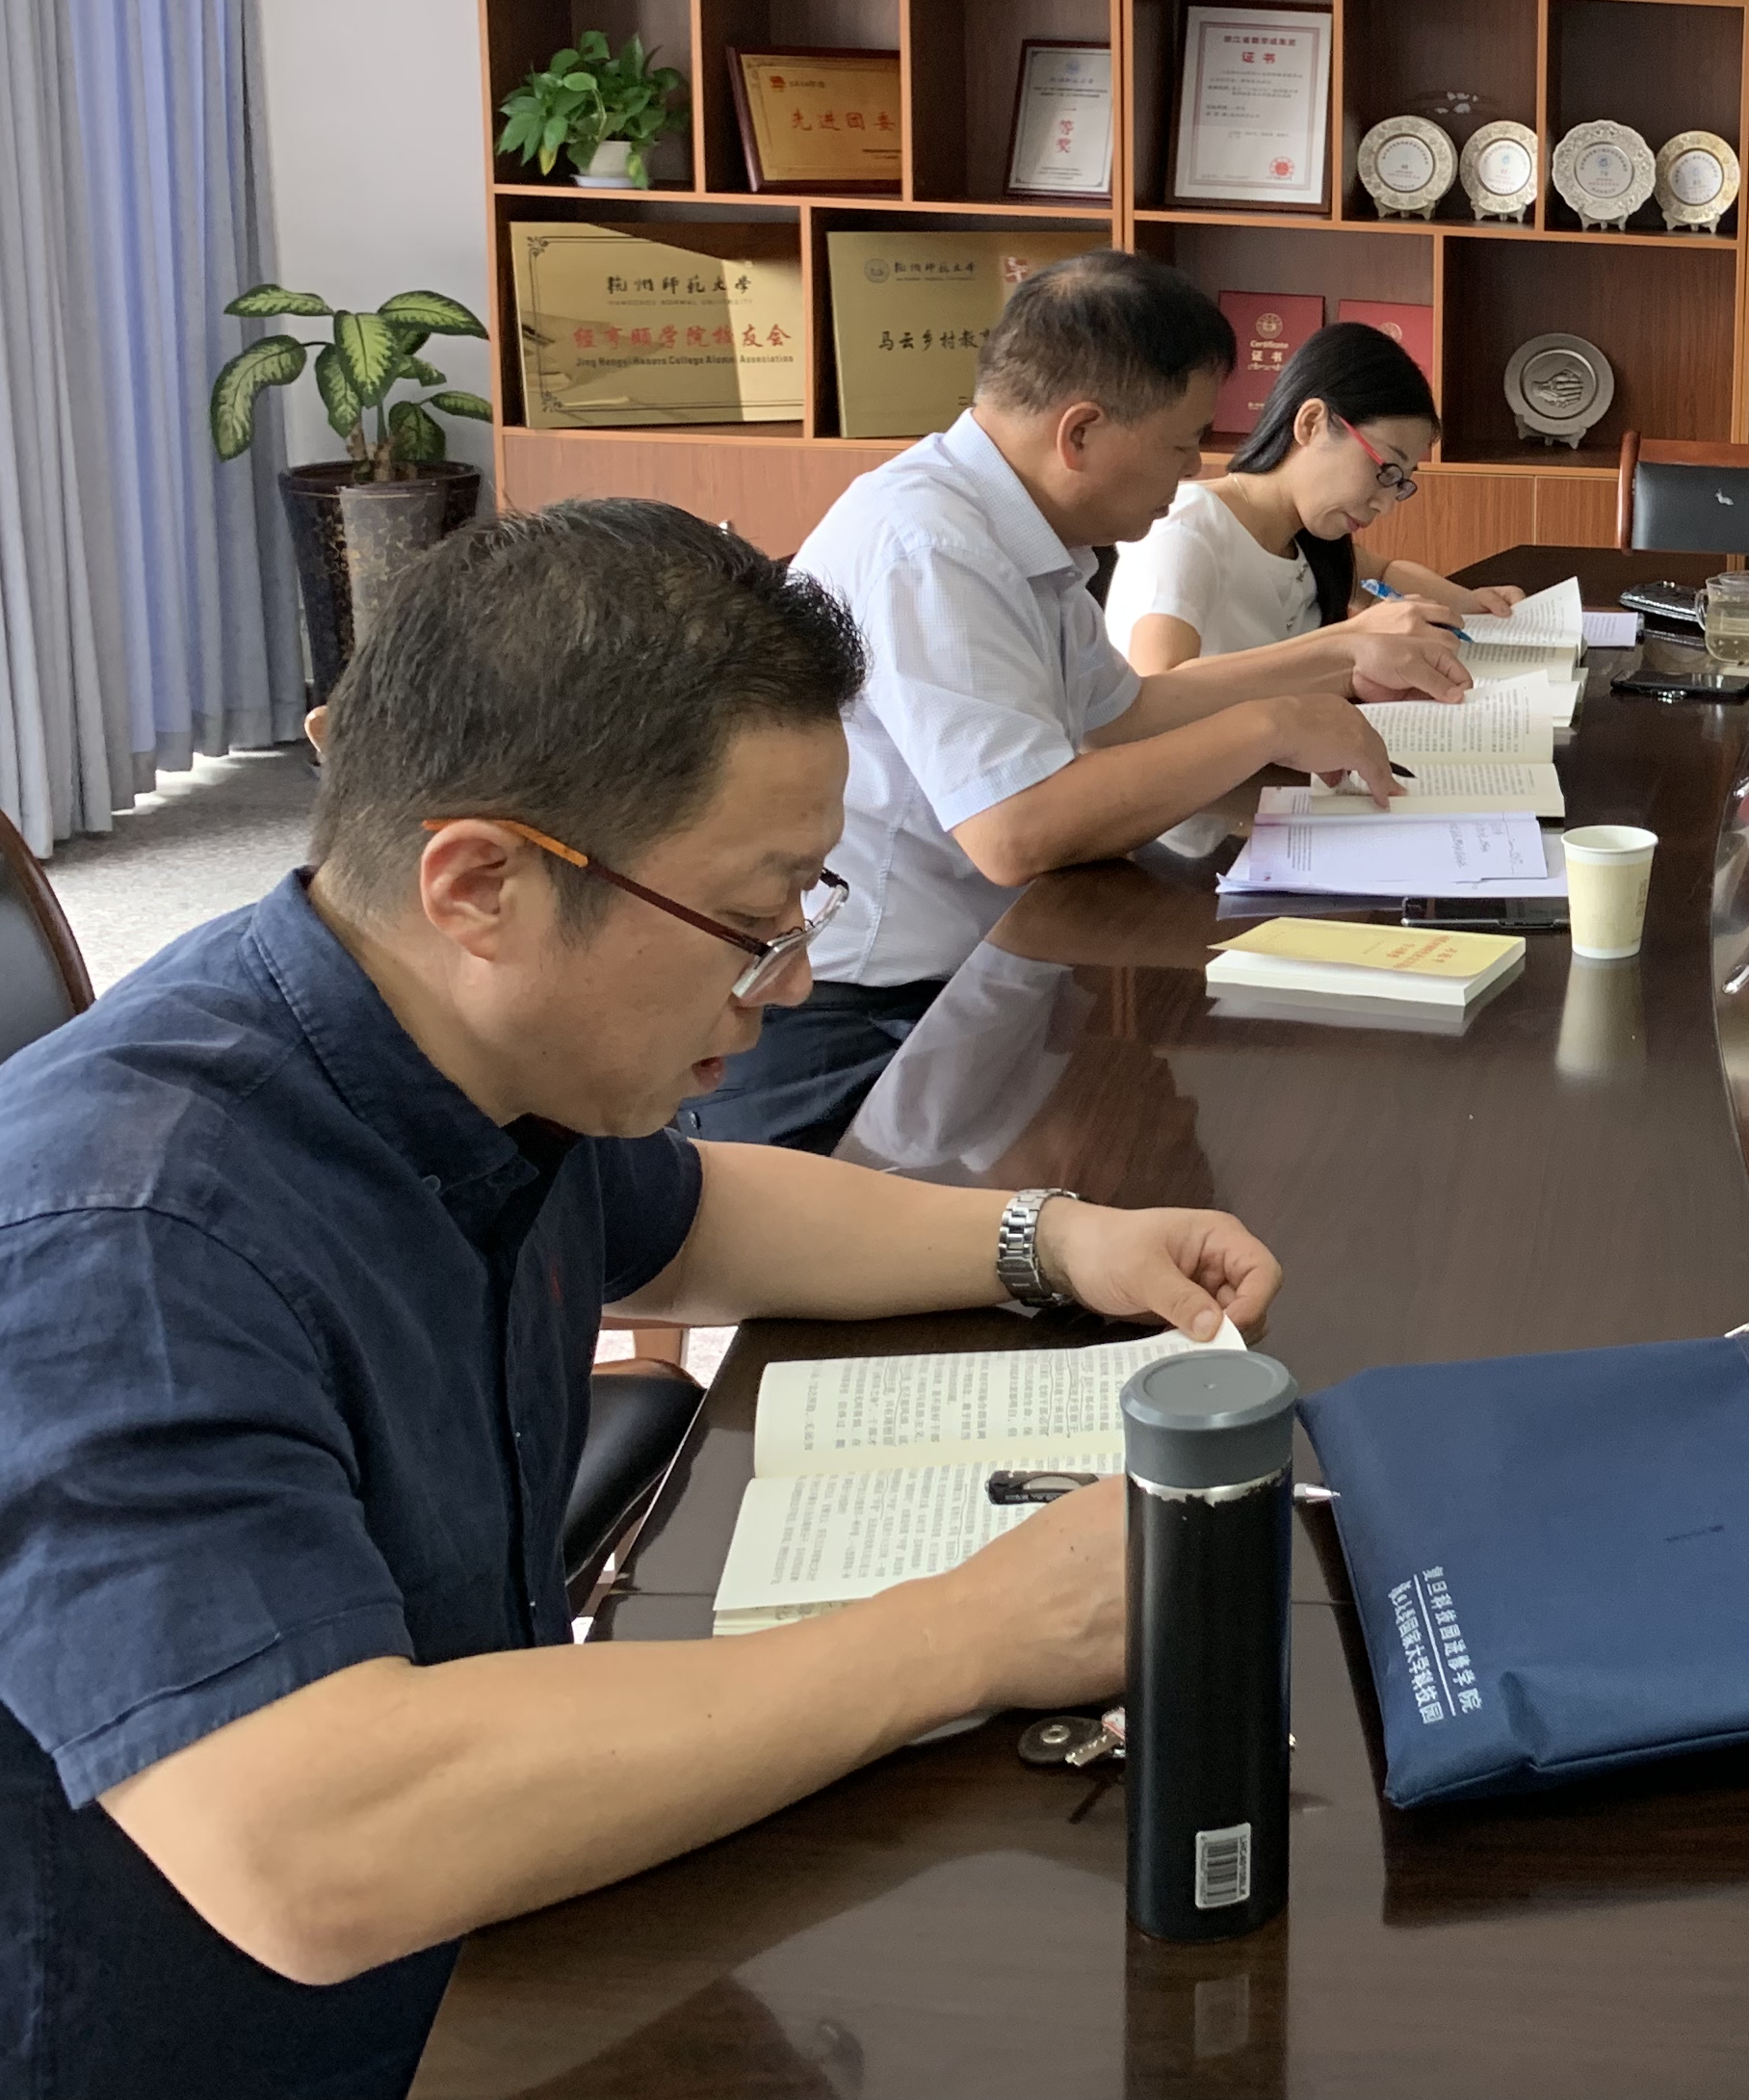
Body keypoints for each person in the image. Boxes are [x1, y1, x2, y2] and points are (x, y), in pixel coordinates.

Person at [0, 502, 1282, 2100]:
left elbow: (696, 1214)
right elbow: (316, 1849)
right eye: (754, 918)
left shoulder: (462, 1036)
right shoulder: (123, 1241)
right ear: (481, 884)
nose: (792, 979)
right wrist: (973, 1630)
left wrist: (1055, 1239)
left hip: (503, 1910)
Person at [690, 251, 1459, 1151]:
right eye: (1180, 444)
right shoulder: (929, 545)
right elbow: (1014, 831)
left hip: (971, 967)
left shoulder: (1027, 534)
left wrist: (1327, 667)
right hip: (855, 1018)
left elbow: (1123, 712)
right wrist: (1274, 722)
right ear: (1081, 432)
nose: (1192, 469)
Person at [1106, 321, 1518, 851]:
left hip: (1278, 811)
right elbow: (1151, 694)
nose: (1386, 503)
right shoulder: (1189, 528)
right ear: (1312, 423)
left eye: (1401, 483)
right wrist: (1347, 645)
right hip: (1191, 842)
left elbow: (1385, 572)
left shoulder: (1307, 538)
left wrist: (1470, 602)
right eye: (1385, 470)